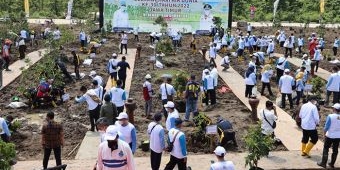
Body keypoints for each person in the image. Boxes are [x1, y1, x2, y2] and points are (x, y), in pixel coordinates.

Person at [317, 103, 340, 168]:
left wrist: (324, 135)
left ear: (334, 109)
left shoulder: (330, 116)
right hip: (338, 136)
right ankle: (332, 164)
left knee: (326, 148)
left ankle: (323, 163)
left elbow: (326, 127)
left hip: (330, 135)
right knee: (335, 150)